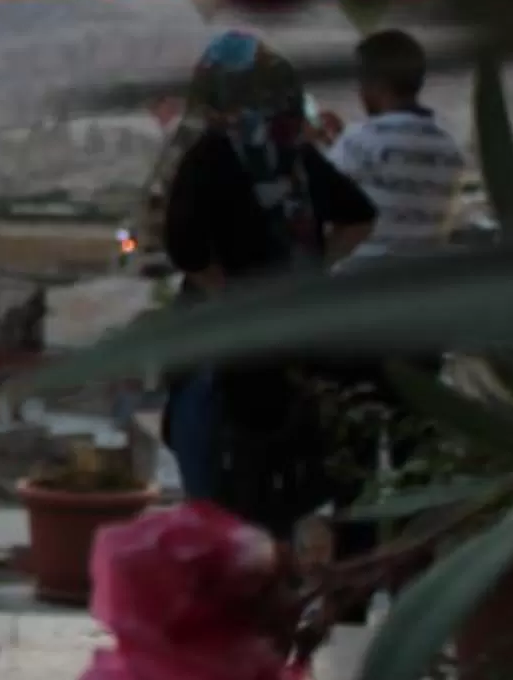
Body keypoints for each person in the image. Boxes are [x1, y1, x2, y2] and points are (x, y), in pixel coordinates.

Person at [159, 33, 377, 539]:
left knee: (216, 494)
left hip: (222, 350)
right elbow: (359, 217)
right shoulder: (297, 157)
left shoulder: (212, 154)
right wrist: (313, 269)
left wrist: (228, 296)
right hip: (296, 341)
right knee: (283, 487)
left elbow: (185, 247)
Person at [327, 30, 469, 266]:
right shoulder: (449, 148)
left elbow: (321, 195)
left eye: (361, 83)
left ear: (377, 84)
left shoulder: (360, 139)